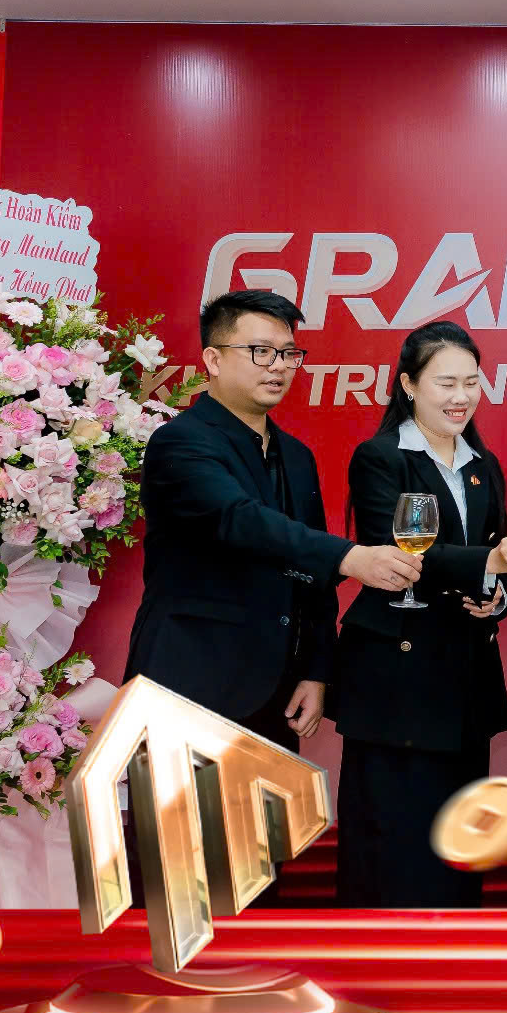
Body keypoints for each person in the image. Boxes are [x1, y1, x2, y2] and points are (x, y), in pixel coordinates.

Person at [125, 287, 421, 754]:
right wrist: (349, 556)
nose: (279, 366)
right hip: (187, 680)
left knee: (269, 807)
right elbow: (239, 520)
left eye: (288, 353)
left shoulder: (297, 456)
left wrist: (316, 670)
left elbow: (311, 577)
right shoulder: (179, 441)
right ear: (213, 359)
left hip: (277, 692)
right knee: (175, 806)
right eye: (261, 351)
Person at [328, 321, 507, 908]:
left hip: (463, 675)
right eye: (445, 383)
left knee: (459, 842)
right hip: (395, 676)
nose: (461, 396)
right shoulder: (380, 458)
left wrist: (494, 595)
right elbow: (393, 552)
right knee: (391, 840)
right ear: (408, 385)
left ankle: (453, 957)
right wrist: (490, 561)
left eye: (471, 383)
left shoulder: (484, 464)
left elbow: (495, 557)